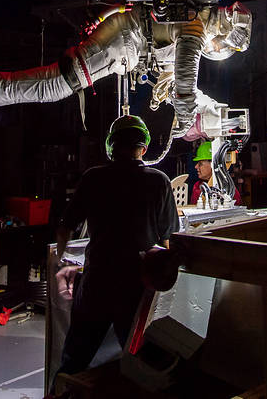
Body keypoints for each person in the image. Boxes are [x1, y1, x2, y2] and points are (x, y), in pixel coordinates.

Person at [0, 2, 252, 139]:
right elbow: (186, 74)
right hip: (123, 40)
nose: (216, 52)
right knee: (56, 85)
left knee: (56, 86)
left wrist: (211, 110)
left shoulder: (193, 26)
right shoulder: (197, 26)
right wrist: (186, 115)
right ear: (223, 35)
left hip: (130, 46)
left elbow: (176, 84)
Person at [54, 115, 178, 376]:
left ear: (111, 146)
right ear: (143, 148)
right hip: (136, 285)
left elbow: (65, 227)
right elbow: (168, 241)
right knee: (138, 358)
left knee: (75, 359)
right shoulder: (159, 181)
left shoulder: (93, 178)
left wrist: (61, 261)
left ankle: (61, 391)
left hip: (96, 282)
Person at [190, 141, 240, 206]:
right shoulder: (197, 186)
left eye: (200, 164)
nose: (196, 167)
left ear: (212, 164)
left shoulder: (228, 188)